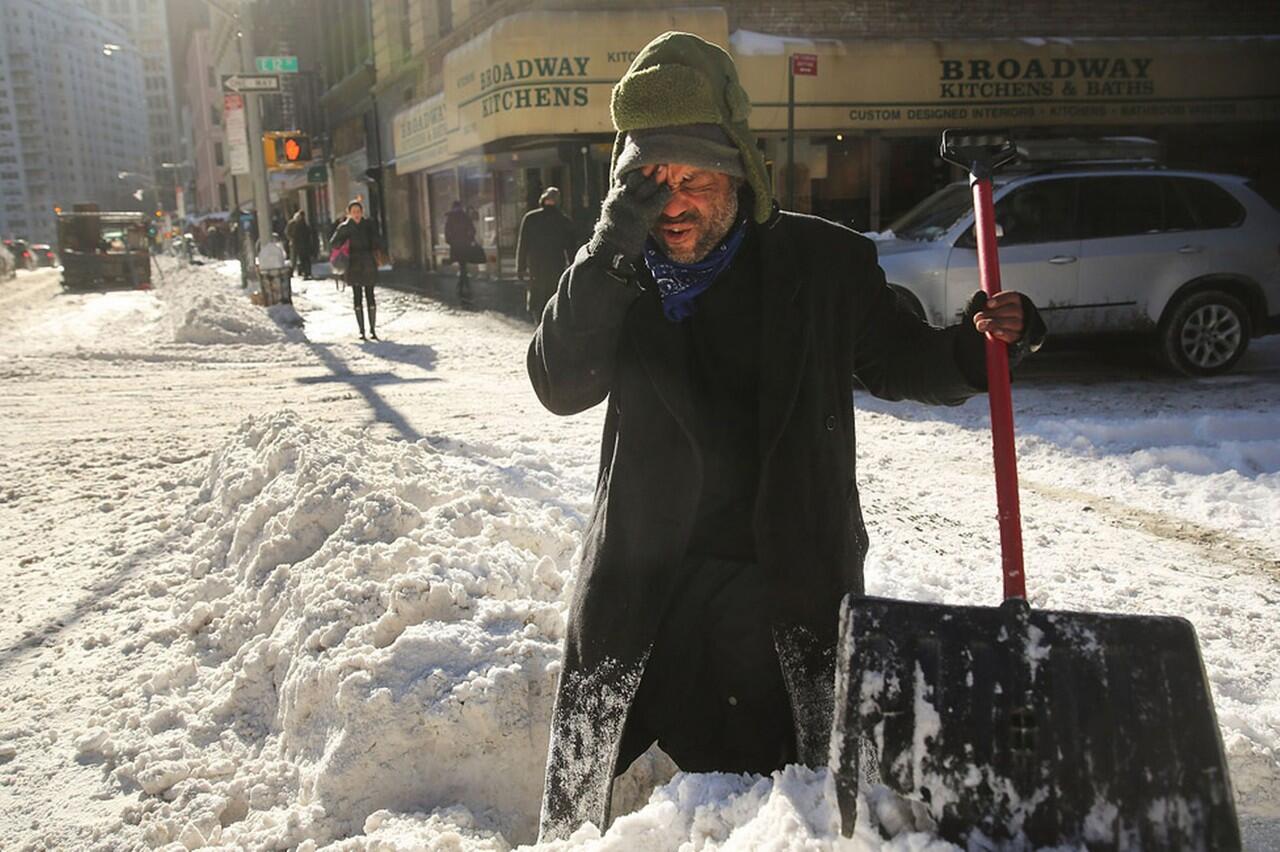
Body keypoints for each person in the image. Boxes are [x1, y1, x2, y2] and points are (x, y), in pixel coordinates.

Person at [526, 32, 1047, 842]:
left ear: (739, 171)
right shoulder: (615, 274)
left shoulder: (822, 265)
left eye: (694, 179)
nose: (673, 206)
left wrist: (979, 349)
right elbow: (558, 383)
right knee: (586, 806)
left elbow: (903, 359)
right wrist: (608, 245)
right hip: (646, 590)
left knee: (791, 809)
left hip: (784, 586)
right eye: (647, 186)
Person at [516, 186, 577, 321]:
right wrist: (574, 269)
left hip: (536, 267)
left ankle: (539, 326)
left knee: (537, 300)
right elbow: (571, 249)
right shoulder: (564, 221)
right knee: (553, 299)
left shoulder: (531, 218)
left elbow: (523, 245)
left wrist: (520, 267)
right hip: (556, 266)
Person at [330, 200, 385, 340]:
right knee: (357, 296)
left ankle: (372, 329)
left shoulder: (369, 224)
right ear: (349, 213)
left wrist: (376, 245)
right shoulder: (345, 227)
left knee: (370, 294)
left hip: (368, 263)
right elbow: (333, 243)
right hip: (353, 264)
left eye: (358, 211)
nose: (356, 214)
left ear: (362, 212)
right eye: (353, 212)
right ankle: (361, 330)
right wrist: (344, 243)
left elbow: (378, 240)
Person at [444, 199, 476, 298]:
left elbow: (447, 231)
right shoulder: (465, 217)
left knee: (462, 265)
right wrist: (470, 239)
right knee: (463, 265)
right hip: (464, 245)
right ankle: (464, 285)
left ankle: (462, 285)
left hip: (456, 245)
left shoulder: (451, 218)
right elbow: (472, 230)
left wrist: (450, 241)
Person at [256, 233, 291, 305]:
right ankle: (282, 300)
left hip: (265, 271)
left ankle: (270, 300)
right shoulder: (278, 249)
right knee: (281, 285)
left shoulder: (264, 249)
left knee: (269, 286)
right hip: (278, 269)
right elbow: (283, 257)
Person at [285, 210, 315, 279]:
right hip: (298, 245)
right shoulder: (294, 224)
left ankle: (304, 272)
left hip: (300, 245)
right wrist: (291, 239)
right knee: (298, 259)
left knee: (303, 260)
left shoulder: (301, 225)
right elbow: (288, 233)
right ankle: (302, 272)